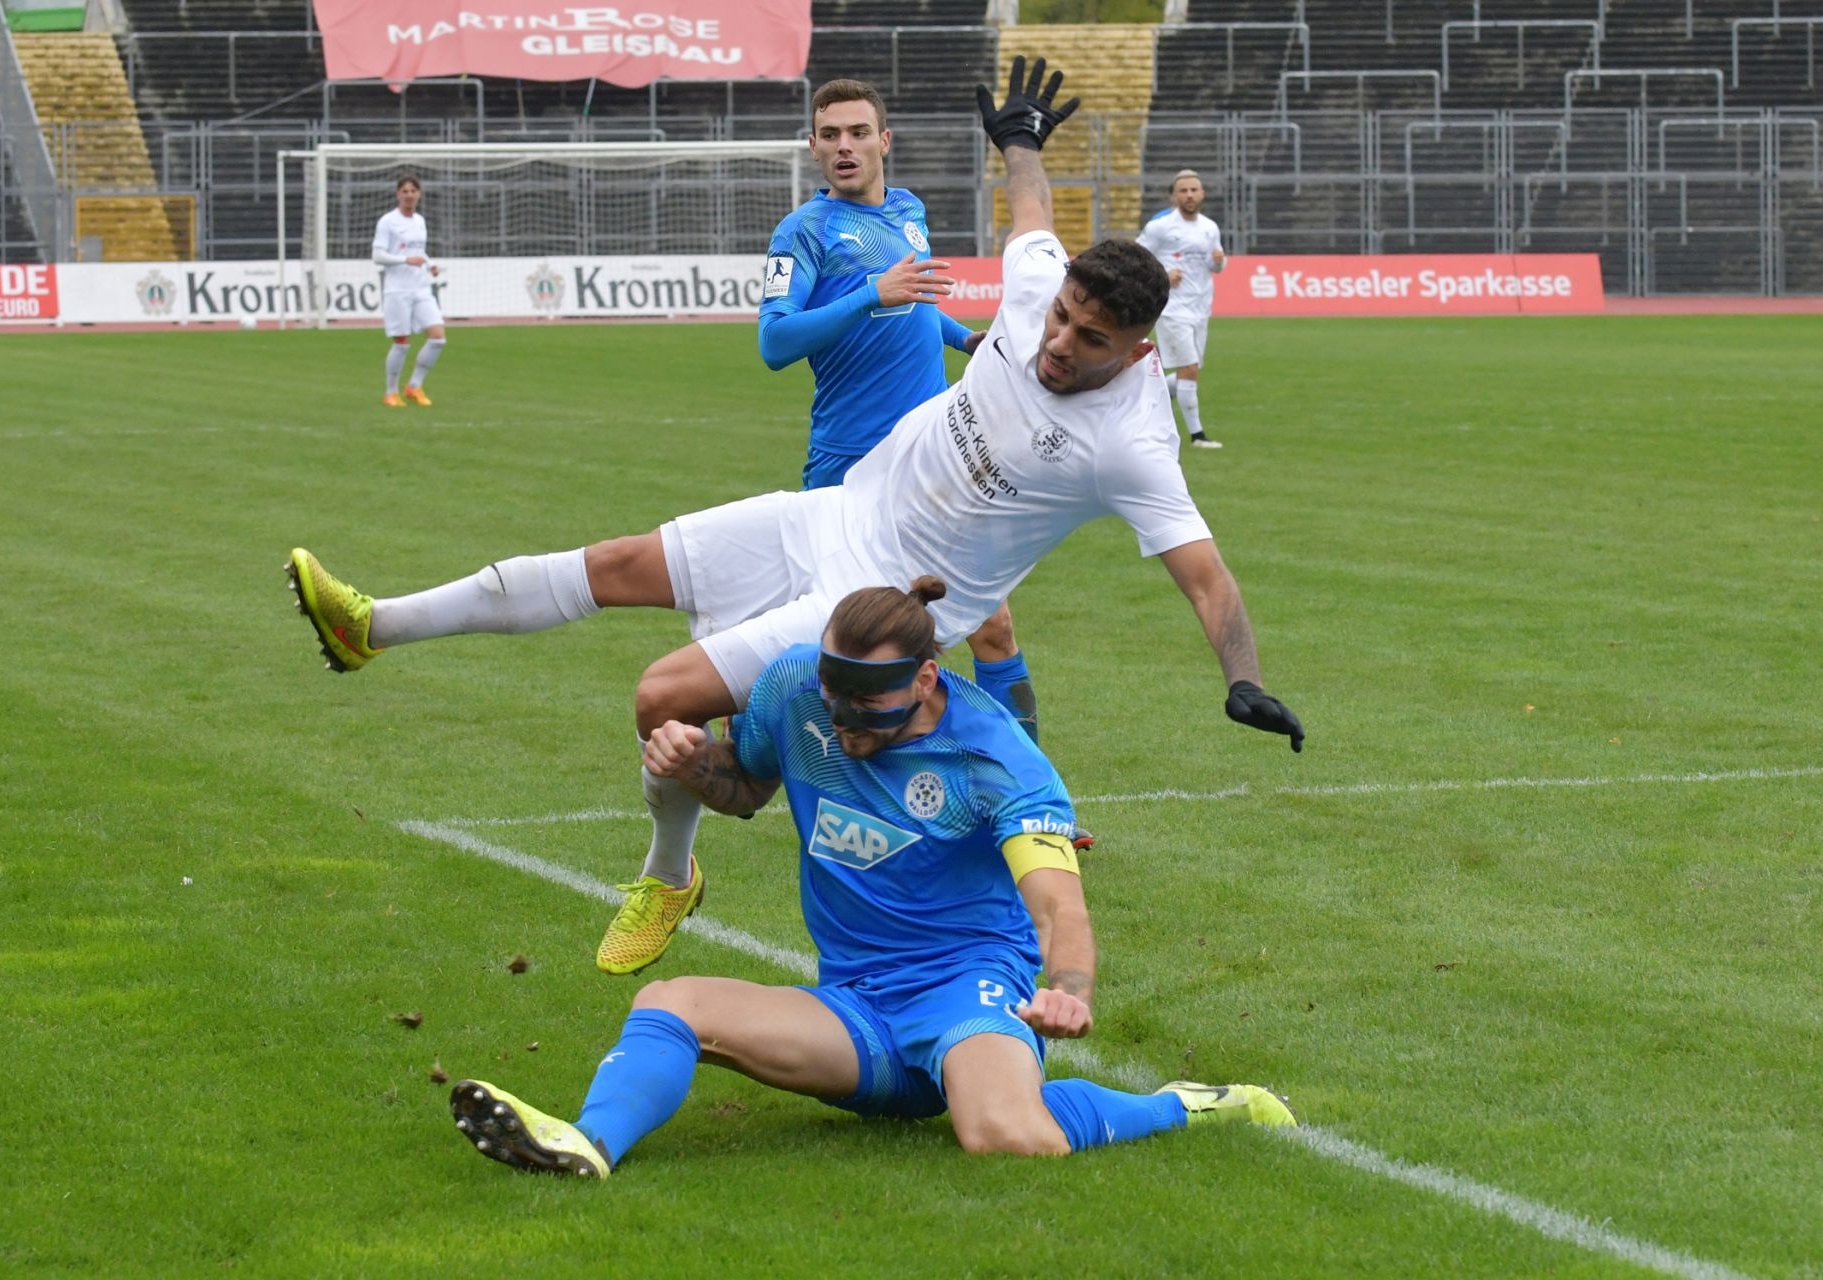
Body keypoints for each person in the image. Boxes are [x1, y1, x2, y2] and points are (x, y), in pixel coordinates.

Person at [285, 55, 1304, 981]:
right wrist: (1022, 139)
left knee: (659, 696)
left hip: (881, 601)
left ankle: (669, 871)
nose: (1058, 342)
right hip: (831, 510)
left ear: (1135, 353)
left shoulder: (1133, 439)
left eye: (1088, 338)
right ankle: (371, 627)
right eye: (1060, 317)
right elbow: (1031, 214)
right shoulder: (1038, 283)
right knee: (613, 561)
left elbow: (1207, 576)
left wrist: (1243, 678)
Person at [447, 579, 1295, 1178]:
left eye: (868, 707)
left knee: (1004, 1136)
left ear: (926, 679)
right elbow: (743, 791)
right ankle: (587, 1146)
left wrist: (1067, 987)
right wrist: (692, 760)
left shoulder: (1000, 760)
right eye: (834, 698)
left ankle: (1182, 1104)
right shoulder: (792, 687)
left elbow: (1057, 905)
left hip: (969, 994)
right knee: (669, 1004)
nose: (844, 723)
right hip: (854, 1011)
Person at [760, 78, 1053, 770]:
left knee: (992, 623)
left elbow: (913, 304)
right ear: (812, 147)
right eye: (829, 135)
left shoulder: (908, 209)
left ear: (884, 141)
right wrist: (869, 293)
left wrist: (963, 339)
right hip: (849, 465)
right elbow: (774, 343)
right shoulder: (803, 231)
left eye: (858, 132)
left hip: (933, 461)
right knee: (831, 635)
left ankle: (1024, 784)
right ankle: (743, 726)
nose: (844, 146)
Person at [1137, 170, 1225, 448]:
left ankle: (1142, 391)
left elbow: (1214, 266)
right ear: (1174, 196)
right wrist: (1163, 275)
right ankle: (1197, 436)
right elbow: (1137, 259)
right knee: (1189, 368)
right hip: (1172, 309)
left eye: (1194, 190)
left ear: (1202, 194)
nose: (1189, 195)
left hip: (1200, 308)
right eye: (1183, 190)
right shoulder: (1160, 227)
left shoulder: (1210, 227)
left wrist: (1220, 262)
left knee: (1192, 368)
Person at [373, 174, 446, 407]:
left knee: (438, 338)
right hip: (397, 290)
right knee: (402, 342)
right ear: (398, 195)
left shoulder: (420, 221)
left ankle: (414, 386)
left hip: (421, 287)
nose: (409, 195)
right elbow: (378, 256)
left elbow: (419, 251)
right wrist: (405, 260)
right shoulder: (388, 221)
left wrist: (429, 263)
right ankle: (390, 392)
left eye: (413, 191)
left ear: (419, 194)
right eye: (404, 191)